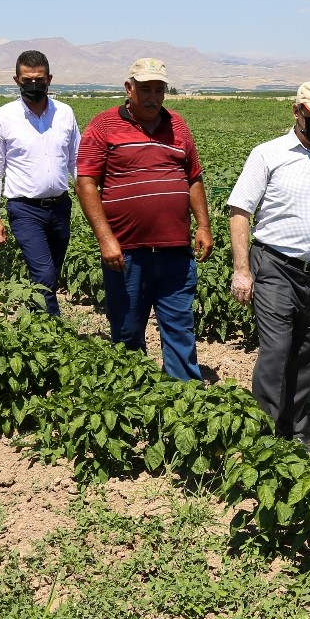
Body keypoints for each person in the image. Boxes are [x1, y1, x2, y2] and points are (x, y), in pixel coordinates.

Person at [228, 82, 310, 446]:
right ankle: (264, 436)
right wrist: (242, 269)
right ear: (297, 111)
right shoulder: (268, 154)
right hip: (274, 266)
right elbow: (240, 211)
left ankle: (294, 430)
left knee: (307, 353)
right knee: (276, 351)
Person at [75, 58, 213, 381]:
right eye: (146, 89)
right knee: (127, 334)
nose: (153, 97)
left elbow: (194, 177)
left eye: (159, 90)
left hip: (176, 254)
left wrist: (204, 226)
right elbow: (86, 183)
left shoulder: (177, 126)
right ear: (129, 88)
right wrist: (105, 238)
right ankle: (132, 400)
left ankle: (185, 404)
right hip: (127, 255)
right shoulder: (103, 126)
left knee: (180, 333)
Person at [0, 50, 82, 315]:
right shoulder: (2, 117)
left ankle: (37, 322)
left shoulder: (65, 113)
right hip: (25, 209)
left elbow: (76, 161)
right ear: (17, 80)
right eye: (27, 80)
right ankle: (54, 332)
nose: (34, 85)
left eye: (39, 79)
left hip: (60, 207)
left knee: (51, 275)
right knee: (44, 274)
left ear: (50, 79)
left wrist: (90, 198)